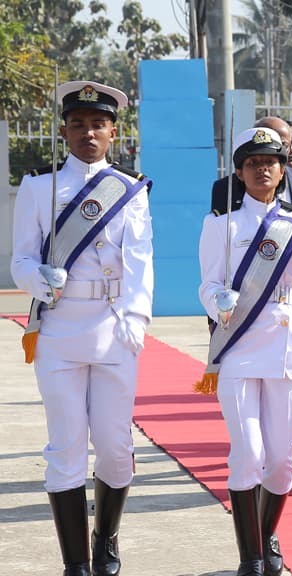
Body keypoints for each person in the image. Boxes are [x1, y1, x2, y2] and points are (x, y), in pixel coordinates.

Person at [12, 80, 153, 576]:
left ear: (113, 131)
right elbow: (21, 259)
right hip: (59, 329)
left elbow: (140, 260)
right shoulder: (38, 186)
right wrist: (36, 277)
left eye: (97, 124)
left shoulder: (130, 188)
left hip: (114, 327)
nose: (87, 132)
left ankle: (105, 535)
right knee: (65, 446)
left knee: (116, 447)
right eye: (78, 124)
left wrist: (136, 319)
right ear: (64, 130)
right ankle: (76, 562)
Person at [198, 127, 292, 576]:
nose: (263, 168)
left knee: (281, 461)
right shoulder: (222, 225)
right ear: (240, 173)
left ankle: (266, 536)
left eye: (272, 161)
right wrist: (217, 300)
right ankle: (251, 558)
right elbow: (207, 282)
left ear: (283, 170)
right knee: (247, 452)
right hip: (239, 346)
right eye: (253, 162)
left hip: (285, 349)